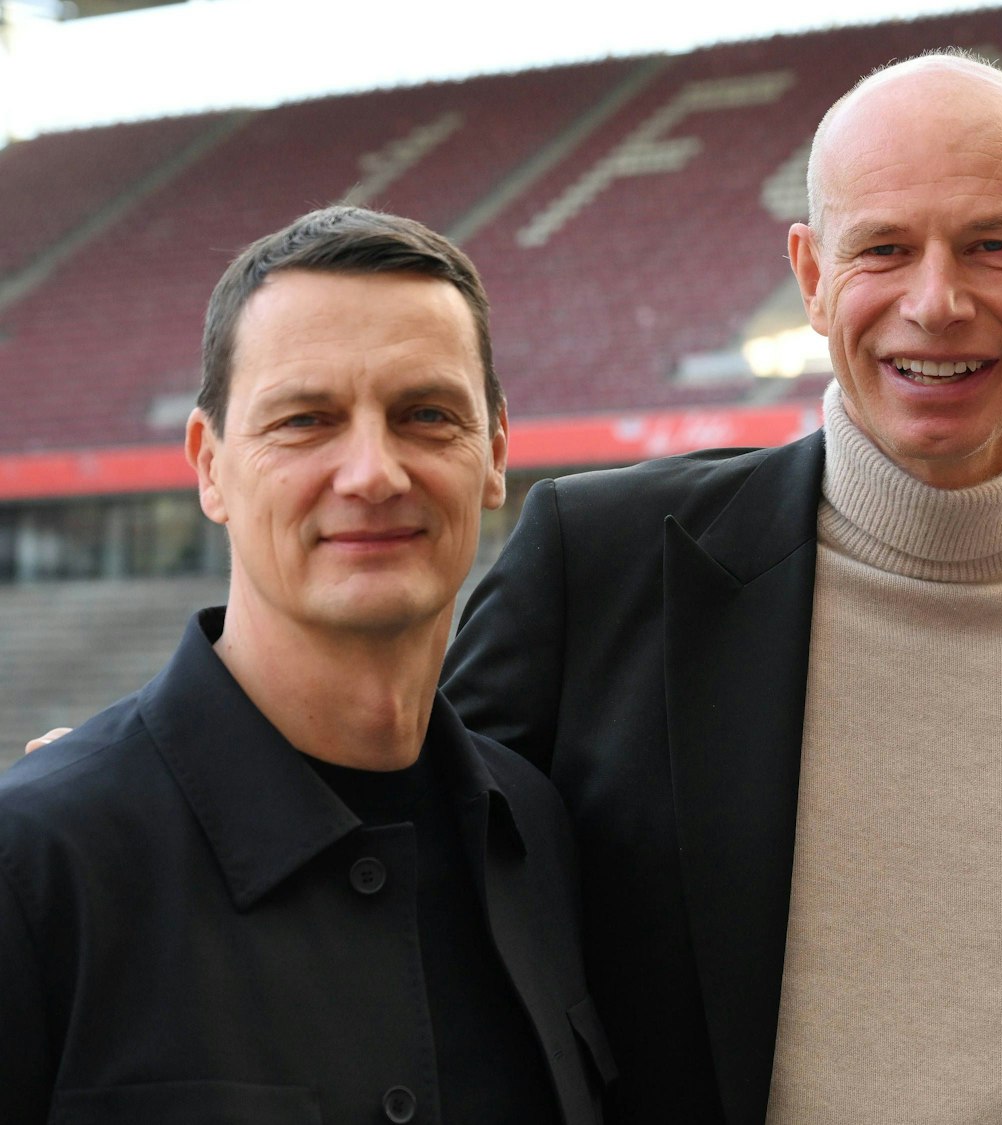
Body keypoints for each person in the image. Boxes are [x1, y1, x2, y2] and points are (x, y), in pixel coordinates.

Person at [442, 52, 1002, 1124]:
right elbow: (440, 935)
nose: (935, 304)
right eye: (883, 249)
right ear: (809, 276)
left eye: (990, 245)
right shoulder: (594, 568)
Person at [0, 207, 614, 1124]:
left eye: (426, 415)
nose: (372, 473)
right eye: (305, 420)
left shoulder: (540, 835)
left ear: (494, 453)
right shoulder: (36, 867)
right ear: (210, 466)